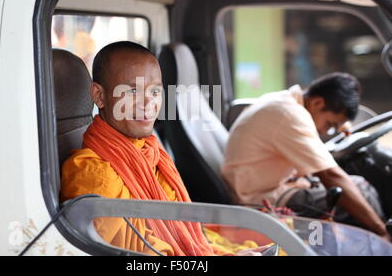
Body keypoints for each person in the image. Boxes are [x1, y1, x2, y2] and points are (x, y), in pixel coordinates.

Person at [60, 41, 265, 256]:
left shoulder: (149, 151)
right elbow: (141, 256)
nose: (148, 102)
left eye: (155, 91)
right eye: (132, 90)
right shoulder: (94, 175)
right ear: (99, 96)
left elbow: (183, 235)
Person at [222, 73, 390, 241]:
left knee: (355, 191)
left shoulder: (284, 102)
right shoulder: (289, 115)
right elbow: (331, 175)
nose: (325, 131)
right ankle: (384, 242)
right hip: (260, 199)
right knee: (362, 191)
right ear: (318, 102)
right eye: (329, 124)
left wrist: (340, 125)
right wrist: (381, 229)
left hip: (269, 186)